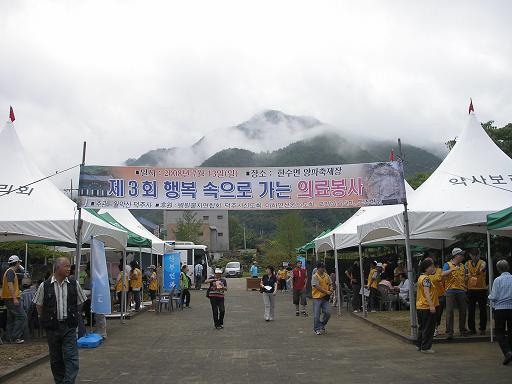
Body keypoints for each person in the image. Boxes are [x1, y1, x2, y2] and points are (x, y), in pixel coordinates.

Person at [33, 257, 87, 383]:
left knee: (71, 357)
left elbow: (80, 302)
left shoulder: (74, 284)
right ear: (57, 268)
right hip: (53, 328)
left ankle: (68, 382)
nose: (69, 269)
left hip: (69, 326)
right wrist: (45, 319)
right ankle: (59, 381)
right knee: (56, 358)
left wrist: (74, 314)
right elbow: (39, 305)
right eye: (66, 266)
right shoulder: (45, 286)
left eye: (69, 266)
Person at [488, 260, 512, 365]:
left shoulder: (497, 280)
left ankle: (507, 352)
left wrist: (489, 297)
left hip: (500, 309)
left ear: (498, 269)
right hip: (511, 307)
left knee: (499, 332)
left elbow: (494, 296)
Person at [443, 248, 469, 339]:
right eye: (461, 255)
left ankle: (462, 330)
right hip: (450, 290)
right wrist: (452, 269)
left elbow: (464, 278)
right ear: (455, 255)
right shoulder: (448, 264)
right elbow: (443, 274)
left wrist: (467, 278)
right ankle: (449, 332)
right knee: (449, 311)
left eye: (462, 255)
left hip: (461, 290)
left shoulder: (463, 266)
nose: (462, 256)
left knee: (463, 310)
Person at [1, 255, 27, 344]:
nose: (20, 264)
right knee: (22, 316)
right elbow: (10, 284)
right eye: (19, 262)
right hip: (11, 298)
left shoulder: (9, 271)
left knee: (11, 319)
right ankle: (16, 336)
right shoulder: (11, 272)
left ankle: (9, 337)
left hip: (8, 298)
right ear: (17, 263)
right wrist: (14, 298)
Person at [416, 258, 439, 354]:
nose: (433, 268)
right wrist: (431, 306)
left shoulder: (421, 277)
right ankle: (425, 347)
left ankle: (420, 345)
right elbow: (426, 292)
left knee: (422, 327)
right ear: (426, 268)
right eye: (431, 266)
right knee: (428, 328)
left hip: (420, 306)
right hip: (426, 306)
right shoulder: (426, 279)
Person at [466, 249, 487, 335]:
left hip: (481, 289)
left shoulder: (483, 262)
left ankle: (482, 328)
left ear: (479, 255)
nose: (474, 257)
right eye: (473, 255)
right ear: (470, 255)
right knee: (471, 310)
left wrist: (481, 269)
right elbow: (465, 272)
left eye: (476, 255)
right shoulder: (467, 263)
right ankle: (472, 329)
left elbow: (483, 267)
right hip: (471, 289)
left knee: (482, 309)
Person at [311, 262, 332, 335]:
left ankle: (322, 325)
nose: (323, 269)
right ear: (318, 268)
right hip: (317, 298)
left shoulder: (326, 275)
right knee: (316, 315)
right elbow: (317, 287)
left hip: (325, 298)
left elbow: (330, 283)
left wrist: (331, 288)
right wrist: (326, 291)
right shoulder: (315, 276)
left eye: (324, 267)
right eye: (322, 267)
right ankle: (317, 328)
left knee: (328, 313)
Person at [431, 258, 446, 337]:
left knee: (439, 313)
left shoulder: (440, 270)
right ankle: (432, 328)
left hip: (440, 295)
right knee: (432, 313)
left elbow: (441, 279)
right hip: (431, 296)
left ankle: (436, 328)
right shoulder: (427, 273)